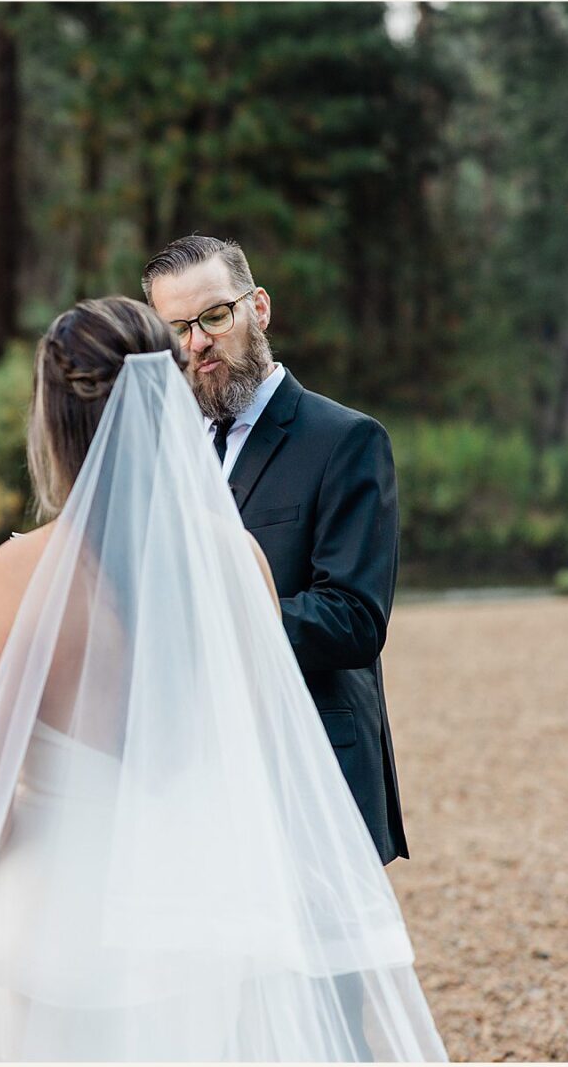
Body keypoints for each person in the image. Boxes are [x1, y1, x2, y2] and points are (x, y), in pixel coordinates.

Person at [0, 296, 445, 1061]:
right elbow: (246, 751)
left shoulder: (17, 574)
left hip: (55, 914)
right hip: (196, 913)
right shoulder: (235, 558)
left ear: (52, 416)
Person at [144, 233, 407, 866]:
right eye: (177, 329)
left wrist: (210, 617)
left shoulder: (346, 440)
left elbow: (355, 618)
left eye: (214, 316)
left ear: (257, 309)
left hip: (313, 773)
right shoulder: (166, 450)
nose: (198, 343)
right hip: (197, 783)